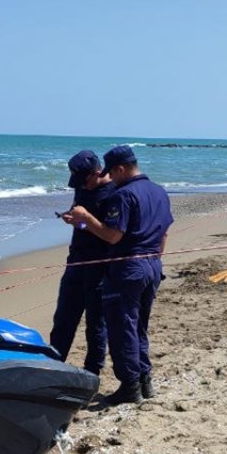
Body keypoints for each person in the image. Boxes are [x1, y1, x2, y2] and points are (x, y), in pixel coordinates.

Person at [64, 145, 173, 406]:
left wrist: (87, 218)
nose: (110, 178)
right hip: (152, 263)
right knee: (139, 326)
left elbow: (113, 234)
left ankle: (130, 385)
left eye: (112, 172)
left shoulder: (123, 195)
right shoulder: (159, 191)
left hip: (128, 266)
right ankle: (145, 380)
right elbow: (165, 232)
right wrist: (156, 260)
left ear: (121, 169)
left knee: (122, 327)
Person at [49, 150, 115, 375]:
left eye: (84, 180)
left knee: (96, 324)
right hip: (76, 260)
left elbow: (111, 234)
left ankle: (92, 372)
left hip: (101, 265)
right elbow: (80, 216)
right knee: (64, 318)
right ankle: (53, 365)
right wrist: (73, 219)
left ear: (98, 172)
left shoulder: (114, 193)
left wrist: (85, 222)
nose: (81, 186)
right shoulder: (81, 186)